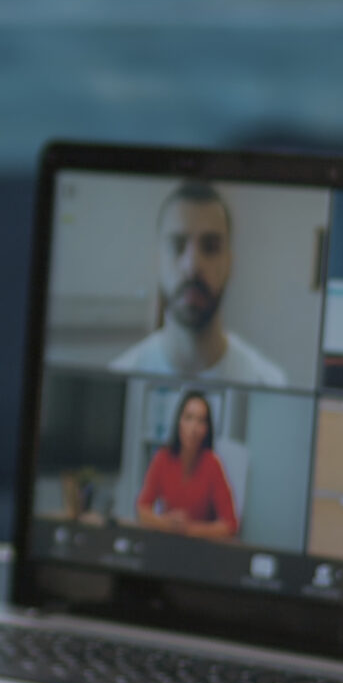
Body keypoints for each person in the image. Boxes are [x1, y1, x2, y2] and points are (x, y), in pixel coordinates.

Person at [108, 181, 290, 387]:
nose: (193, 265)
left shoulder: (268, 383)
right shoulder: (120, 378)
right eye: (177, 246)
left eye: (210, 247)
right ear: (157, 261)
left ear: (229, 263)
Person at [135, 391, 240, 540]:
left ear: (207, 429)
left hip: (202, 549)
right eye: (189, 418)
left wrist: (189, 529)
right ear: (179, 422)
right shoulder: (163, 458)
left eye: (201, 421)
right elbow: (142, 510)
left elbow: (230, 525)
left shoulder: (212, 464)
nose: (193, 429)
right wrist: (167, 524)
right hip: (167, 543)